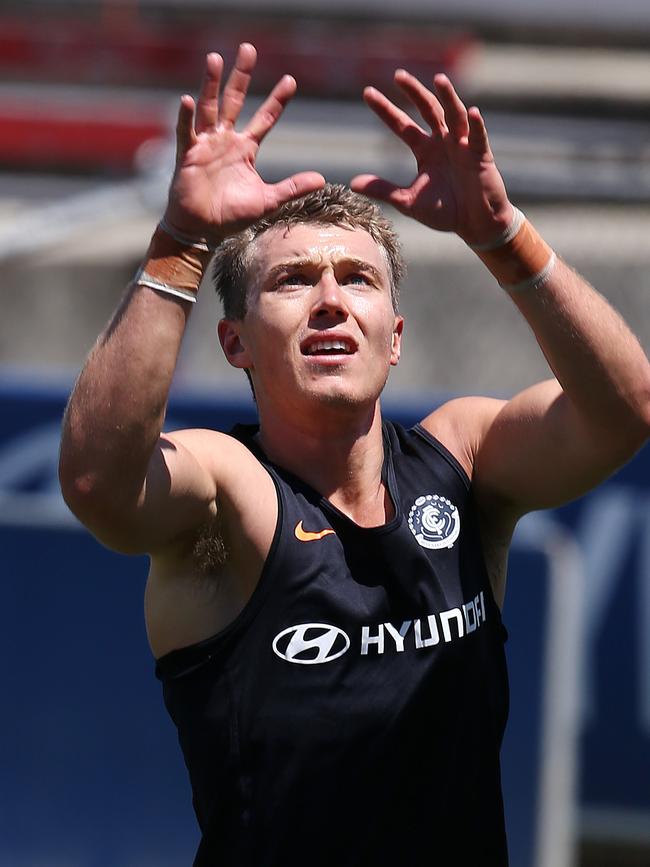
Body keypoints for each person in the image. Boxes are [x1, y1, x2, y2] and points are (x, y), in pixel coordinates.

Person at [58, 43, 650, 867]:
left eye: (359, 279)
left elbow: (625, 412)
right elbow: (99, 482)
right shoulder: (235, 494)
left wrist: (503, 235)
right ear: (234, 343)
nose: (332, 298)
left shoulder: (465, 459)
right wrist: (182, 241)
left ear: (396, 338)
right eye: (295, 279)